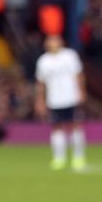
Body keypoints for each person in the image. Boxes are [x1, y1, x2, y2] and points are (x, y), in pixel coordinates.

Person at [35, 35, 87, 171]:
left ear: (61, 42)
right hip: (54, 100)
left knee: (75, 126)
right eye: (49, 40)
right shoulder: (43, 61)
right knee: (56, 127)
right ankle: (59, 158)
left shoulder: (70, 56)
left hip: (71, 97)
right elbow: (41, 82)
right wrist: (40, 100)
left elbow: (79, 75)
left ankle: (78, 157)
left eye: (55, 40)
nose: (52, 43)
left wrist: (81, 92)